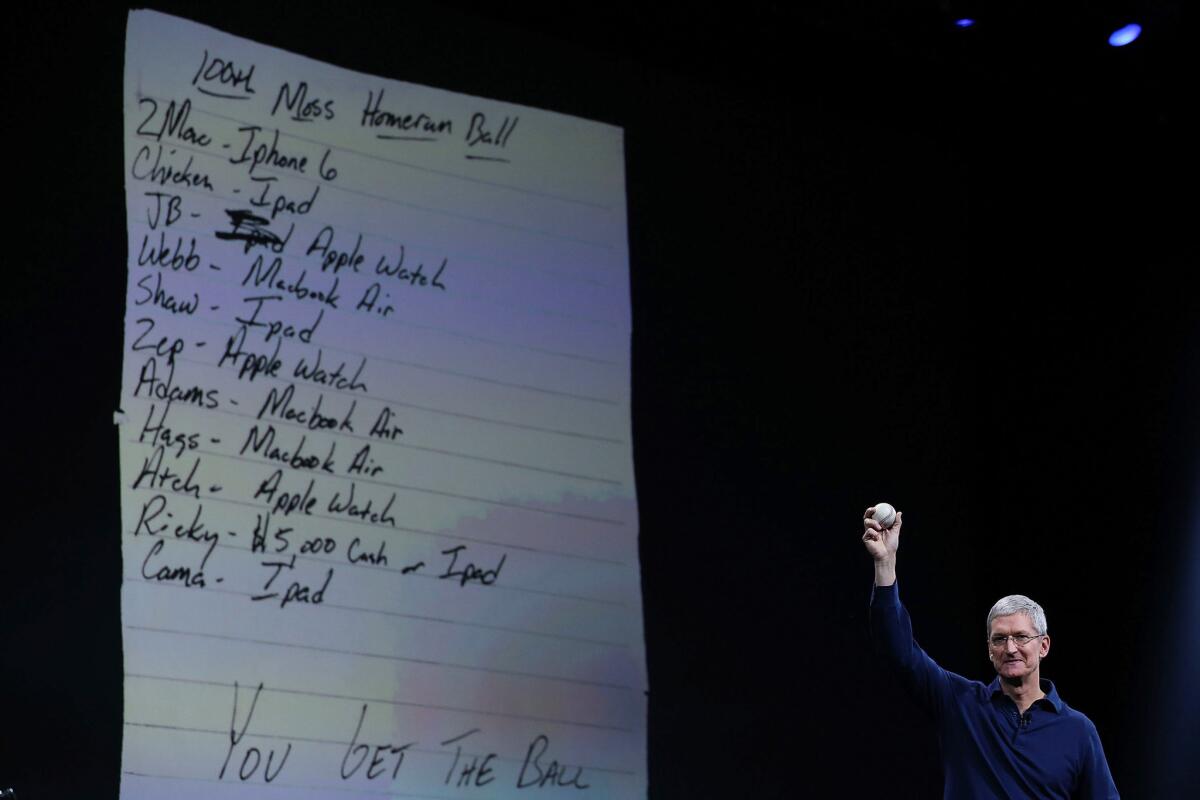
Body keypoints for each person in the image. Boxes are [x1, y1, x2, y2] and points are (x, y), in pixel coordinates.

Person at [862, 505, 1119, 799]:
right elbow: (899, 652)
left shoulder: (1078, 731)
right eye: (1000, 639)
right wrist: (885, 563)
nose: (1010, 648)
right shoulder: (960, 704)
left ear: (1044, 645)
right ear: (989, 650)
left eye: (1021, 637)